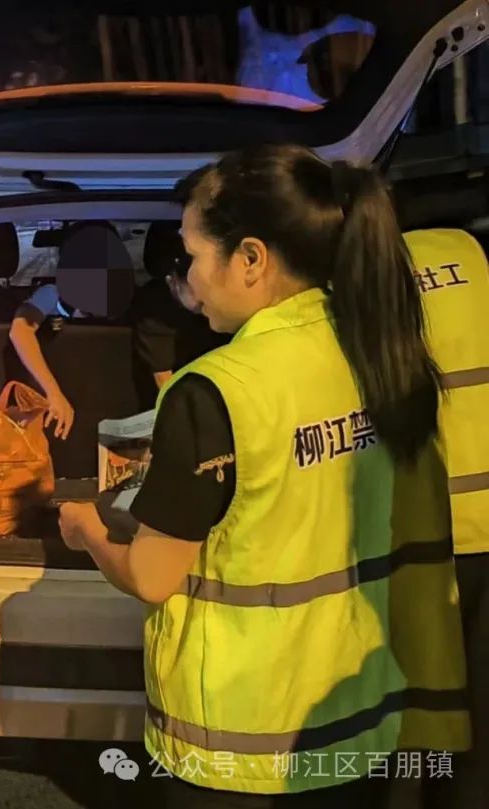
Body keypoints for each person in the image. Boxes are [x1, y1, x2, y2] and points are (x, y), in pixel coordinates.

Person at [58, 144, 470, 807]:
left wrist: (84, 528)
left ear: (250, 258)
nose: (189, 283)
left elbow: (152, 576)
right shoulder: (377, 349)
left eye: (192, 257)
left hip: (239, 748)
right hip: (352, 721)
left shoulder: (214, 390)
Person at [403, 228, 489, 806]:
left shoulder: (354, 271)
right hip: (481, 522)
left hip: (415, 533)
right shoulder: (472, 254)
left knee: (418, 708)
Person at [8, 221, 135, 439]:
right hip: (66, 404)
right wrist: (54, 393)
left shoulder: (129, 299)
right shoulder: (52, 295)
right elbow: (20, 330)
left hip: (116, 405)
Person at [129, 221, 230, 393]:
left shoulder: (229, 307)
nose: (205, 293)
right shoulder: (154, 313)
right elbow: (166, 383)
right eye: (194, 285)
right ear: (172, 281)